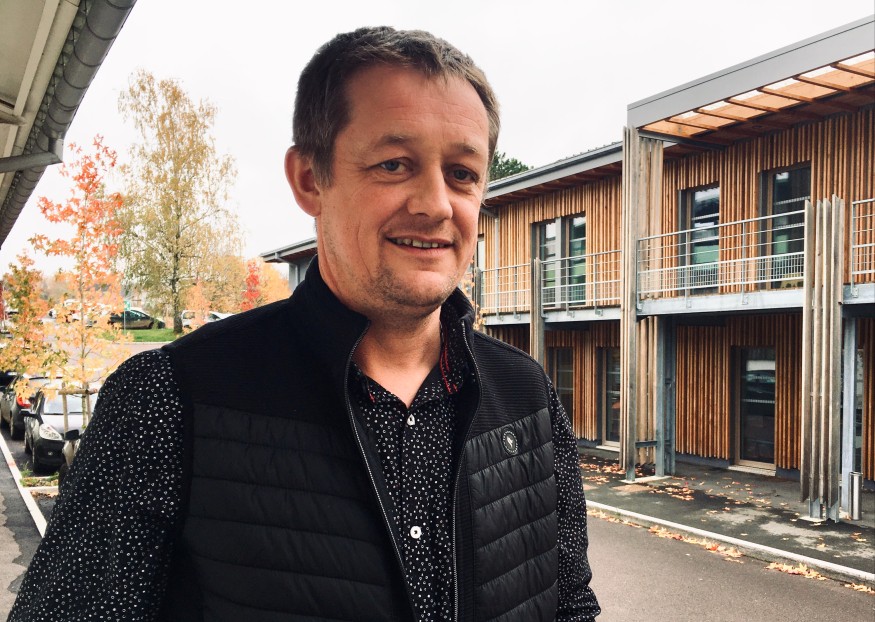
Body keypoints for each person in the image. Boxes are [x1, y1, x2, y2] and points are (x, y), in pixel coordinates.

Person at [9, 26, 600, 621]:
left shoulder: (529, 395)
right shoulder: (166, 401)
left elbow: (570, 603)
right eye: (394, 164)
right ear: (310, 179)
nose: (436, 203)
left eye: (462, 173)